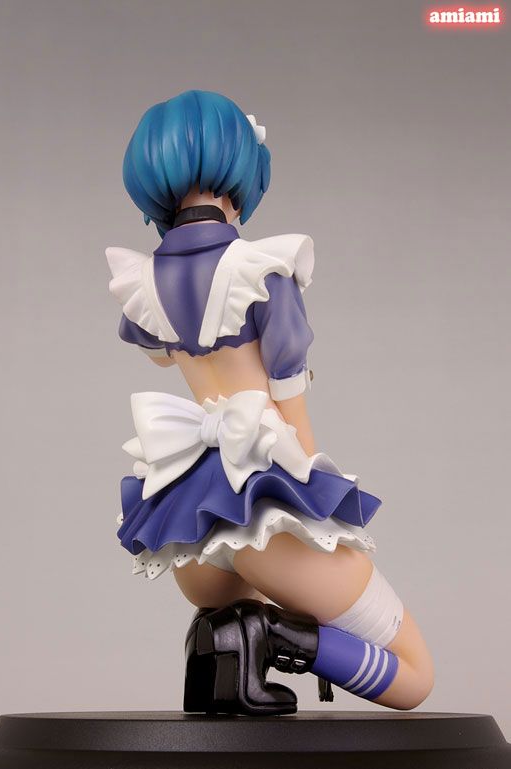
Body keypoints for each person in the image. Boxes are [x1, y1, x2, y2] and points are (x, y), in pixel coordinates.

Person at [106, 89, 434, 715]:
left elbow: (158, 353)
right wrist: (320, 510)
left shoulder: (142, 281)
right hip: (264, 514)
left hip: (194, 534)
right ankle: (284, 638)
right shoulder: (261, 268)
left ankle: (233, 640)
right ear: (241, 167)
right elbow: (292, 415)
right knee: (416, 676)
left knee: (242, 604)